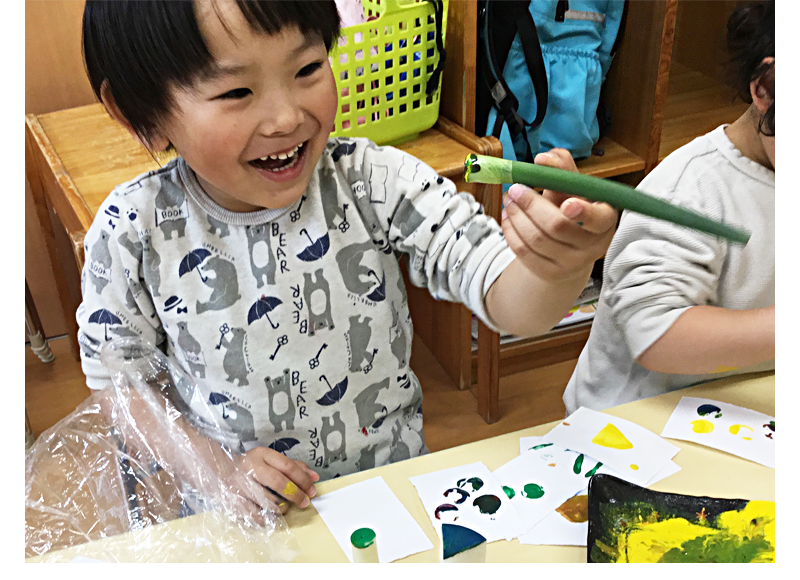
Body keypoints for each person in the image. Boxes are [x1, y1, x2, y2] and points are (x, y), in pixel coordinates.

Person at [78, 0, 616, 514]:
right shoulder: (135, 229)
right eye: (236, 91)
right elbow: (120, 389)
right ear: (139, 112)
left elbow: (509, 300)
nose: (287, 117)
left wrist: (556, 268)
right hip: (242, 514)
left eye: (308, 67)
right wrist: (218, 472)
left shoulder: (371, 180)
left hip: (389, 496)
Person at [563, 0, 775, 414]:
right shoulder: (690, 189)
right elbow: (656, 333)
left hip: (746, 411)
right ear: (766, 86)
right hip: (635, 428)